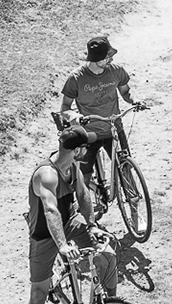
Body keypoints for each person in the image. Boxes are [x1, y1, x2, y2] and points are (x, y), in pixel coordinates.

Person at [18, 124, 119, 304]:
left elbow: (83, 195)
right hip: (44, 235)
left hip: (70, 223)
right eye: (86, 147)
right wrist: (62, 245)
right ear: (79, 150)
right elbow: (50, 210)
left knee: (107, 252)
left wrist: (92, 225)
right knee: (38, 292)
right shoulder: (46, 175)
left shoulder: (73, 167)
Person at [59, 35, 146, 213]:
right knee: (84, 175)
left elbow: (126, 92)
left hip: (114, 128)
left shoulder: (116, 71)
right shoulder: (76, 78)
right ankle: (86, 213)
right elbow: (65, 108)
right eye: (107, 57)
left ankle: (134, 204)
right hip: (89, 133)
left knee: (125, 165)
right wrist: (76, 117)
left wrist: (135, 100)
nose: (111, 59)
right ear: (96, 58)